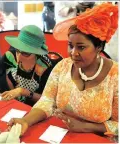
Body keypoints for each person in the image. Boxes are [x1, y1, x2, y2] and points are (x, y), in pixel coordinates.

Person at [7, 3, 118, 140]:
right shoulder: (63, 66)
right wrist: (26, 121)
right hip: (58, 135)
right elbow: (47, 101)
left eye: (81, 47)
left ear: (99, 47)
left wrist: (85, 126)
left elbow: (118, 124)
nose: (73, 53)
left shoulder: (115, 75)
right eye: (70, 45)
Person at [0, 25, 62, 106]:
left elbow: (49, 99)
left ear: (37, 53)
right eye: (17, 50)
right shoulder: (10, 55)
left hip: (33, 108)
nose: (18, 58)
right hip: (6, 102)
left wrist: (23, 92)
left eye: (25, 53)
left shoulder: (45, 67)